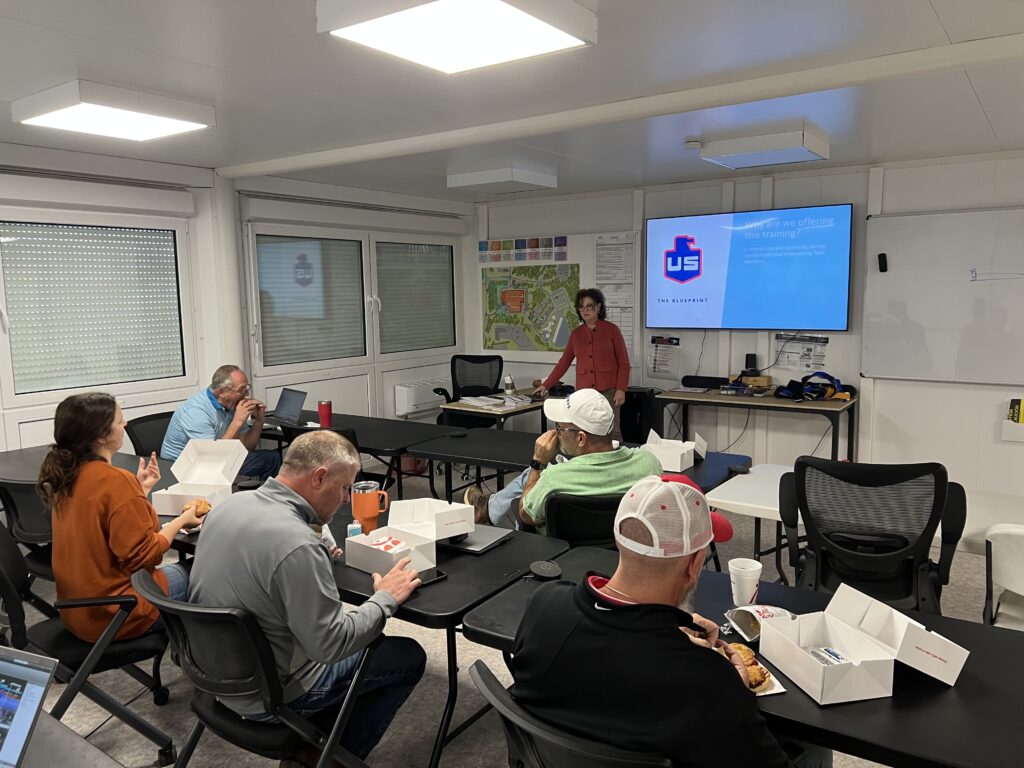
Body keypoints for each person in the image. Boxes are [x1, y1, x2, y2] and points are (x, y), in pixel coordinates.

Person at [510, 475, 831, 768]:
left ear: (620, 538)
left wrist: (666, 630)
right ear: (694, 564)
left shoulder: (543, 605)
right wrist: (736, 689)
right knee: (813, 748)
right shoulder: (707, 682)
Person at [188, 430, 426, 761]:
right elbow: (330, 646)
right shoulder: (298, 544)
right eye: (344, 488)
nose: (345, 499)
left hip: (213, 675)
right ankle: (328, 757)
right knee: (407, 655)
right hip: (271, 693)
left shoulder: (229, 506)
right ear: (319, 477)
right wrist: (385, 598)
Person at [37, 392, 206, 642]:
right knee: (210, 570)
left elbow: (104, 527)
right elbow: (145, 557)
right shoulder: (115, 481)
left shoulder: (67, 476)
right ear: (102, 435)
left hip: (77, 611)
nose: (125, 424)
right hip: (119, 612)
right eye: (119, 420)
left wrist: (140, 491)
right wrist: (183, 520)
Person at [464, 388, 662, 531]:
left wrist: (537, 462)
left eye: (560, 429)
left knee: (531, 476)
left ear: (581, 438)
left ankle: (487, 510)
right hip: (618, 549)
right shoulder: (648, 462)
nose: (555, 433)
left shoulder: (554, 478)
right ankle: (488, 508)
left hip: (555, 555)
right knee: (529, 477)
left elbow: (525, 514)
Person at [533, 288, 630, 442]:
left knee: (612, 431)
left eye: (589, 306)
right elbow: (563, 363)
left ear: (598, 307)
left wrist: (621, 389)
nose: (585, 310)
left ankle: (617, 463)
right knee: (585, 431)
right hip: (584, 393)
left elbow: (624, 363)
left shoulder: (612, 330)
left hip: (609, 392)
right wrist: (546, 385)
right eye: (581, 306)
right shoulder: (576, 334)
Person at [161, 364, 282, 481]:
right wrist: (237, 421)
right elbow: (212, 458)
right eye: (242, 390)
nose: (246, 394)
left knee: (271, 459)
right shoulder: (196, 412)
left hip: (213, 460)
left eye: (247, 388)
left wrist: (259, 421)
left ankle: (265, 499)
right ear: (222, 392)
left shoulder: (230, 405)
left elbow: (247, 447)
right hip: (184, 469)